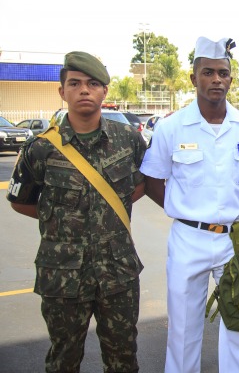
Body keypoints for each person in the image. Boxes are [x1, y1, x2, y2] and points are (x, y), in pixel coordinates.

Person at [6, 51, 146, 372]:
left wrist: (112, 211)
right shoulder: (40, 148)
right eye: (75, 83)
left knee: (124, 360)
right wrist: (61, 220)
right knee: (63, 360)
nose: (85, 90)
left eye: (93, 83)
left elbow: (139, 185)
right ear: (62, 91)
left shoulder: (128, 140)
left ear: (104, 91)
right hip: (63, 277)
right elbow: (21, 200)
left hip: (118, 274)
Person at [140, 37, 239, 373]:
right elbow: (152, 180)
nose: (216, 80)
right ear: (193, 78)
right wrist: (184, 210)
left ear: (230, 80)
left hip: (235, 240)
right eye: (207, 72)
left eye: (223, 73)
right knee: (182, 329)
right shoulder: (171, 128)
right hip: (188, 239)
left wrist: (230, 209)